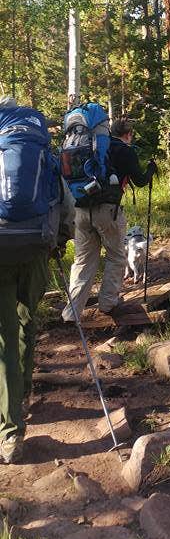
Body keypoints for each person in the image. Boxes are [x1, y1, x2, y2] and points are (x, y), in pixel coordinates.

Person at [0, 96, 75, 464]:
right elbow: (65, 203)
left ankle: (11, 434)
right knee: (27, 325)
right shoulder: (41, 149)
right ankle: (24, 396)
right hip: (36, 250)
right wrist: (59, 241)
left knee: (4, 341)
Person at [62, 116, 157, 324]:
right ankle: (108, 303)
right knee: (115, 256)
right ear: (128, 134)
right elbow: (140, 181)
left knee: (84, 260)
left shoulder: (91, 147)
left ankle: (72, 312)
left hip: (81, 210)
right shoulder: (125, 150)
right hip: (107, 211)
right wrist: (151, 169)